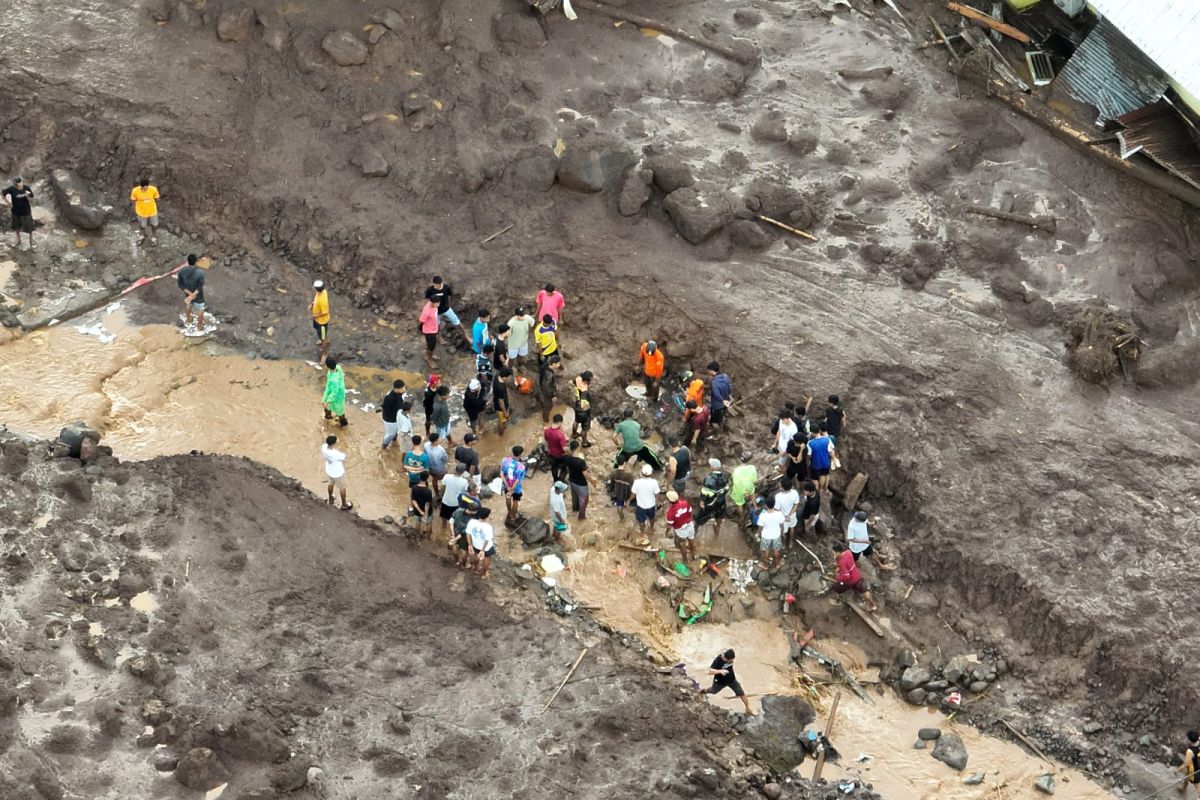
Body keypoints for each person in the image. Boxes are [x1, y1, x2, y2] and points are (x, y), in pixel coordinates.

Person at [702, 649, 754, 715]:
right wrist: (720, 671)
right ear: (726, 658)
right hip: (720, 682)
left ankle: (748, 707)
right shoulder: (718, 660)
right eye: (731, 660)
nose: (732, 661)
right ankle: (702, 692)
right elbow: (709, 671)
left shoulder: (729, 656)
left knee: (741, 692)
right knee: (713, 691)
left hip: (732, 680)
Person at [424, 275, 470, 341]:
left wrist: (449, 305)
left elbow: (449, 296)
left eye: (436, 285)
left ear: (440, 284)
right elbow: (428, 300)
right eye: (434, 284)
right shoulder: (430, 290)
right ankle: (439, 338)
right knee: (437, 325)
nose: (435, 286)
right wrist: (431, 310)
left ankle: (466, 335)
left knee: (457, 321)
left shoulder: (446, 288)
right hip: (436, 311)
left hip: (446, 309)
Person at [833, 545, 876, 612]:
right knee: (864, 590)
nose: (833, 554)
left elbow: (846, 576)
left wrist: (838, 578)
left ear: (838, 552)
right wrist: (840, 567)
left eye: (834, 552)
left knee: (836, 588)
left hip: (850, 580)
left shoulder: (841, 562)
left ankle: (837, 601)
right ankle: (872, 605)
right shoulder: (848, 552)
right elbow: (848, 563)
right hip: (857, 575)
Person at [564, 440, 597, 520]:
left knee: (575, 497)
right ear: (578, 448)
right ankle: (581, 516)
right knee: (584, 500)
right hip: (581, 484)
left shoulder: (567, 458)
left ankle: (575, 509)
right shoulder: (581, 462)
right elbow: (585, 474)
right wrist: (592, 481)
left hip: (572, 480)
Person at [697, 458, 730, 536]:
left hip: (710, 502)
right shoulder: (724, 477)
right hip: (721, 501)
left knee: (701, 517)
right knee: (719, 516)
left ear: (713, 467)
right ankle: (717, 530)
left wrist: (702, 501)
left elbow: (705, 492)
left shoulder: (709, 479)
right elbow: (726, 489)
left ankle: (696, 528)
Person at [176, 253, 209, 331]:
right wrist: (193, 294)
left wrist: (190, 295)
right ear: (196, 261)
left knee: (188, 304)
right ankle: (199, 326)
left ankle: (188, 319)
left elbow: (180, 284)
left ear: (187, 261)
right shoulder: (200, 272)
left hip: (187, 292)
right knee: (200, 309)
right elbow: (200, 286)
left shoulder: (181, 271)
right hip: (198, 295)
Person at [3, 177, 35, 250]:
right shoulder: (11, 189)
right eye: (19, 185)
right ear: (15, 185)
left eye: (21, 184)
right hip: (15, 211)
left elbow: (32, 199)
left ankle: (31, 240)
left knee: (29, 227)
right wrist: (8, 203)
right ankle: (18, 239)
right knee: (16, 226)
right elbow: (2, 193)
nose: (21, 186)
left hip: (26, 211)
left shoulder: (26, 188)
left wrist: (27, 196)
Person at [630, 464, 660, 542]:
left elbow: (633, 494)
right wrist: (658, 502)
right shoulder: (654, 482)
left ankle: (642, 532)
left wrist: (628, 500)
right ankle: (651, 528)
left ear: (642, 473)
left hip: (641, 506)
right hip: (651, 505)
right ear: (651, 473)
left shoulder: (637, 482)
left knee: (641, 520)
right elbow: (657, 494)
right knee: (652, 517)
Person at [664, 490, 696, 562]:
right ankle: (694, 554)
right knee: (691, 539)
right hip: (690, 525)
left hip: (681, 529)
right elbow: (690, 512)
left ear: (669, 501)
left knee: (682, 543)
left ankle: (685, 559)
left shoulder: (671, 512)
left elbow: (669, 525)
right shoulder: (685, 503)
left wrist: (666, 532)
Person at [321, 434, 352, 510]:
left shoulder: (324, 447)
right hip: (338, 473)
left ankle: (331, 498)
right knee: (342, 488)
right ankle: (344, 504)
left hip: (329, 470)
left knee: (330, 484)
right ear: (333, 443)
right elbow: (345, 457)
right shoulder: (336, 454)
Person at [439, 463, 470, 534]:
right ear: (463, 472)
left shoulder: (447, 476)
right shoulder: (464, 481)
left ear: (455, 469)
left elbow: (442, 487)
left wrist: (441, 495)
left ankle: (443, 526)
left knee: (444, 515)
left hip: (446, 500)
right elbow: (465, 493)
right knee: (454, 518)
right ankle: (453, 532)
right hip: (456, 503)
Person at [466, 507, 497, 578]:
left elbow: (468, 534)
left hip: (475, 545)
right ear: (487, 517)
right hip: (486, 548)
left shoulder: (471, 522)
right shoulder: (488, 527)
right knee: (486, 560)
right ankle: (484, 574)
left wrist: (470, 545)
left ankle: (476, 569)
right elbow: (487, 540)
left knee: (476, 556)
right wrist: (483, 550)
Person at [378, 380, 409, 449]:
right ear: (396, 389)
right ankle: (384, 445)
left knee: (397, 430)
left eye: (404, 388)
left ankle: (394, 440)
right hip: (390, 420)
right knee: (390, 433)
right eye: (402, 389)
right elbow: (385, 408)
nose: (404, 390)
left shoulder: (399, 394)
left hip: (397, 418)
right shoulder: (389, 398)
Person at [130, 177, 161, 245]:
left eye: (146, 187)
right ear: (140, 186)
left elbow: (157, 198)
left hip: (152, 211)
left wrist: (152, 205)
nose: (145, 188)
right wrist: (137, 208)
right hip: (141, 212)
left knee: (154, 225)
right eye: (143, 187)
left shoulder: (153, 190)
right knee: (142, 225)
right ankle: (142, 236)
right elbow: (133, 200)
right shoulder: (135, 191)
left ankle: (154, 236)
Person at [757, 496, 785, 570]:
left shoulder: (762, 516)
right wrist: (782, 531)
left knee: (766, 550)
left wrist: (758, 534)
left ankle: (765, 565)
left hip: (766, 536)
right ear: (774, 504)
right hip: (776, 535)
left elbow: (760, 527)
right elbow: (781, 524)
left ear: (766, 505)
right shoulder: (779, 514)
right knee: (776, 550)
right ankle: (777, 564)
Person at [501, 445, 527, 525]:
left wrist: (508, 487)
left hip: (506, 485)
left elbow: (502, 474)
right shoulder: (521, 466)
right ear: (521, 454)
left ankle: (509, 512)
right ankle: (513, 515)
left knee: (508, 498)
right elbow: (518, 480)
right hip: (516, 488)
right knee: (515, 501)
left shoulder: (505, 460)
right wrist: (512, 489)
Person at [729, 454, 758, 526]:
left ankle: (741, 517)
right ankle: (755, 507)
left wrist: (743, 491)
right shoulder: (752, 468)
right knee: (752, 492)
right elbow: (754, 479)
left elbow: (735, 482)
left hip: (739, 489)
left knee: (739, 504)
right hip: (749, 487)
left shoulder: (736, 471)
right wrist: (747, 491)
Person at [808, 422, 836, 492]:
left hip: (815, 464)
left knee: (814, 479)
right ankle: (821, 489)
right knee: (823, 475)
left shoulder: (810, 443)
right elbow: (830, 451)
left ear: (812, 432)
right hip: (825, 462)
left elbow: (809, 455)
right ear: (819, 431)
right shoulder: (827, 440)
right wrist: (834, 458)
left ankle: (817, 491)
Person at [506, 307, 535, 374]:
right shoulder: (511, 323)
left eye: (523, 314)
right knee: (512, 358)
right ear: (517, 315)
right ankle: (510, 368)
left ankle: (520, 366)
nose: (523, 316)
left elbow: (533, 324)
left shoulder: (527, 318)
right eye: (521, 315)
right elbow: (507, 334)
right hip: (513, 345)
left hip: (523, 343)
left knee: (522, 356)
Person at [536, 353, 562, 423]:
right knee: (548, 408)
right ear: (553, 364)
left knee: (543, 403)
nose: (559, 365)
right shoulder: (549, 375)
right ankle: (545, 421)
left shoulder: (546, 366)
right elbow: (547, 387)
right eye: (558, 364)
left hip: (541, 388)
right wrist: (553, 395)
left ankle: (541, 404)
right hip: (546, 395)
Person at [774, 479, 800, 549]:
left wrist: (784, 516)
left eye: (780, 485)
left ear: (782, 487)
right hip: (792, 515)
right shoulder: (794, 493)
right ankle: (791, 542)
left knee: (783, 532)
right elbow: (796, 504)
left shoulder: (778, 496)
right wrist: (789, 514)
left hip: (782, 517)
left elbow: (777, 509)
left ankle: (783, 544)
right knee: (792, 528)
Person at [322, 357, 348, 427]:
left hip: (335, 395)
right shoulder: (338, 367)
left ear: (327, 366)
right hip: (340, 392)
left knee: (326, 406)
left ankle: (329, 417)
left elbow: (334, 393)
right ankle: (342, 422)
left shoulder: (333, 380)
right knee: (340, 410)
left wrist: (328, 401)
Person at [408, 471, 434, 540]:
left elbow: (413, 500)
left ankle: (417, 536)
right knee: (428, 523)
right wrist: (425, 513)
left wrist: (419, 511)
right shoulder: (428, 491)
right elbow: (427, 504)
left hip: (417, 510)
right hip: (427, 511)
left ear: (419, 477)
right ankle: (428, 538)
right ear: (427, 479)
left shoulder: (414, 487)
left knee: (417, 522)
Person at [570, 370, 594, 447]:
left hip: (577, 405)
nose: (591, 381)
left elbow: (571, 383)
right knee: (585, 428)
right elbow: (584, 405)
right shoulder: (584, 391)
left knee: (576, 421)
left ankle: (573, 434)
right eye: (590, 380)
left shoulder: (578, 379)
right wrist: (588, 407)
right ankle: (584, 443)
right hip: (583, 411)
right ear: (586, 381)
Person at [310, 280, 331, 364]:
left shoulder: (323, 300)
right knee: (321, 335)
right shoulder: (321, 292)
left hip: (321, 322)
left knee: (323, 338)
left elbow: (325, 312)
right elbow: (316, 300)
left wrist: (316, 316)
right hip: (317, 320)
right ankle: (322, 339)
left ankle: (325, 354)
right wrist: (312, 304)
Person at [544, 413, 569, 483]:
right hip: (561, 455)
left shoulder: (547, 431)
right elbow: (565, 449)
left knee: (554, 467)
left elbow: (546, 440)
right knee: (564, 469)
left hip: (552, 453)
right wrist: (571, 453)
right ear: (559, 422)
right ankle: (560, 482)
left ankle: (555, 480)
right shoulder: (560, 435)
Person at [707, 362, 733, 428]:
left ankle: (713, 423)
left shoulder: (714, 382)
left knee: (715, 413)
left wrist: (722, 400)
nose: (708, 372)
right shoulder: (725, 376)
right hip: (726, 399)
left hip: (718, 402)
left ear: (712, 371)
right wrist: (728, 396)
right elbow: (730, 386)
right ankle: (720, 418)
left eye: (709, 371)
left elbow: (716, 394)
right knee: (722, 411)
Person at [425, 430, 448, 497]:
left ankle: (437, 493)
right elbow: (445, 460)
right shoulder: (441, 450)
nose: (440, 439)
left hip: (430, 467)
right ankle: (443, 492)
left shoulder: (426, 445)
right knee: (445, 478)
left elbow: (425, 454)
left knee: (434, 479)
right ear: (435, 441)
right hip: (439, 469)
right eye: (439, 439)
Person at [419, 298, 440, 367]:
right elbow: (422, 321)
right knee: (431, 346)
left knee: (430, 344)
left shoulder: (433, 306)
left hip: (434, 328)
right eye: (438, 303)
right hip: (429, 332)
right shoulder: (427, 311)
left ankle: (427, 355)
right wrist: (421, 328)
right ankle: (430, 360)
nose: (439, 304)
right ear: (433, 303)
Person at [493, 366, 513, 436]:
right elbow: (501, 402)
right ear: (505, 376)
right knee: (502, 421)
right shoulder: (500, 388)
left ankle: (502, 429)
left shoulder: (496, 377)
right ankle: (501, 435)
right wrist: (505, 412)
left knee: (502, 420)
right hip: (500, 407)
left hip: (496, 401)